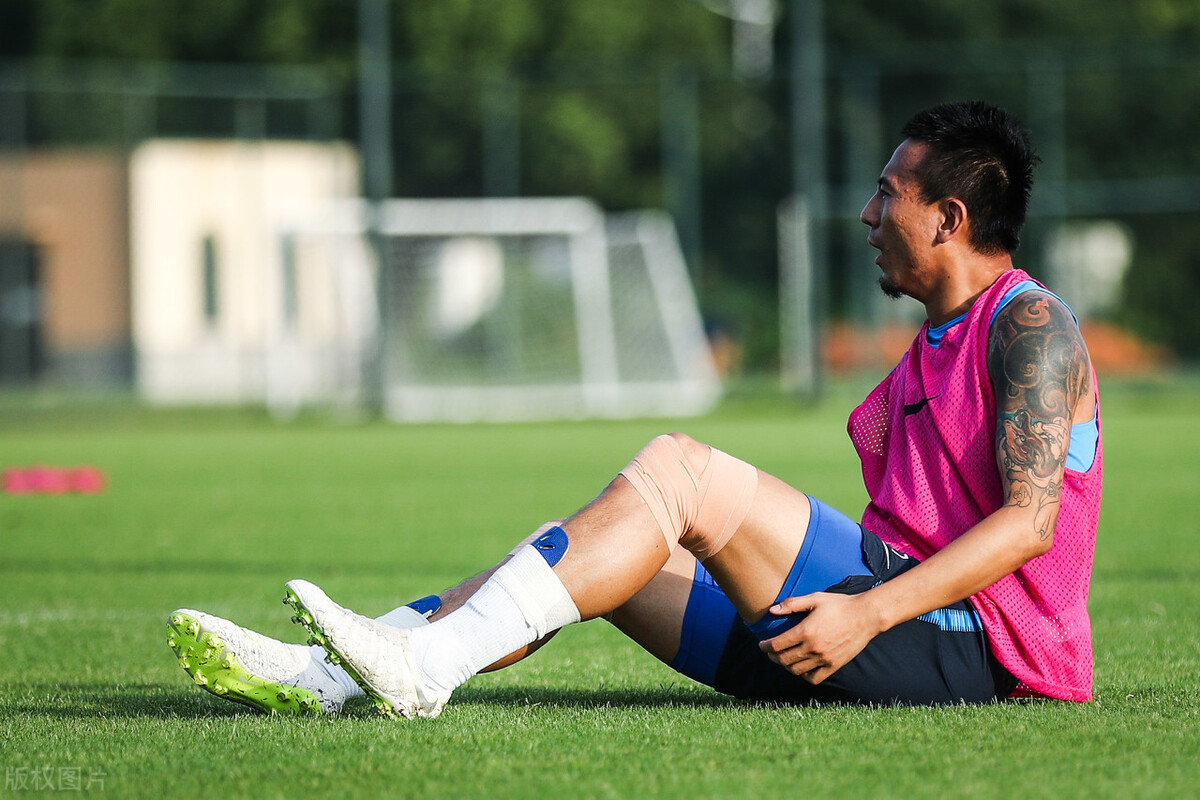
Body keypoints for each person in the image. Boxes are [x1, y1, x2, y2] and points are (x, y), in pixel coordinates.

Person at [168, 100, 1102, 718]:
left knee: (682, 472)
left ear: (949, 219)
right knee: (575, 552)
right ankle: (335, 678)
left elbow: (1029, 523)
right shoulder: (941, 334)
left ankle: (424, 672)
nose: (867, 214)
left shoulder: (1029, 325)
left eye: (888, 194)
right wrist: (860, 614)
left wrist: (868, 616)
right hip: (876, 624)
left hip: (975, 652)